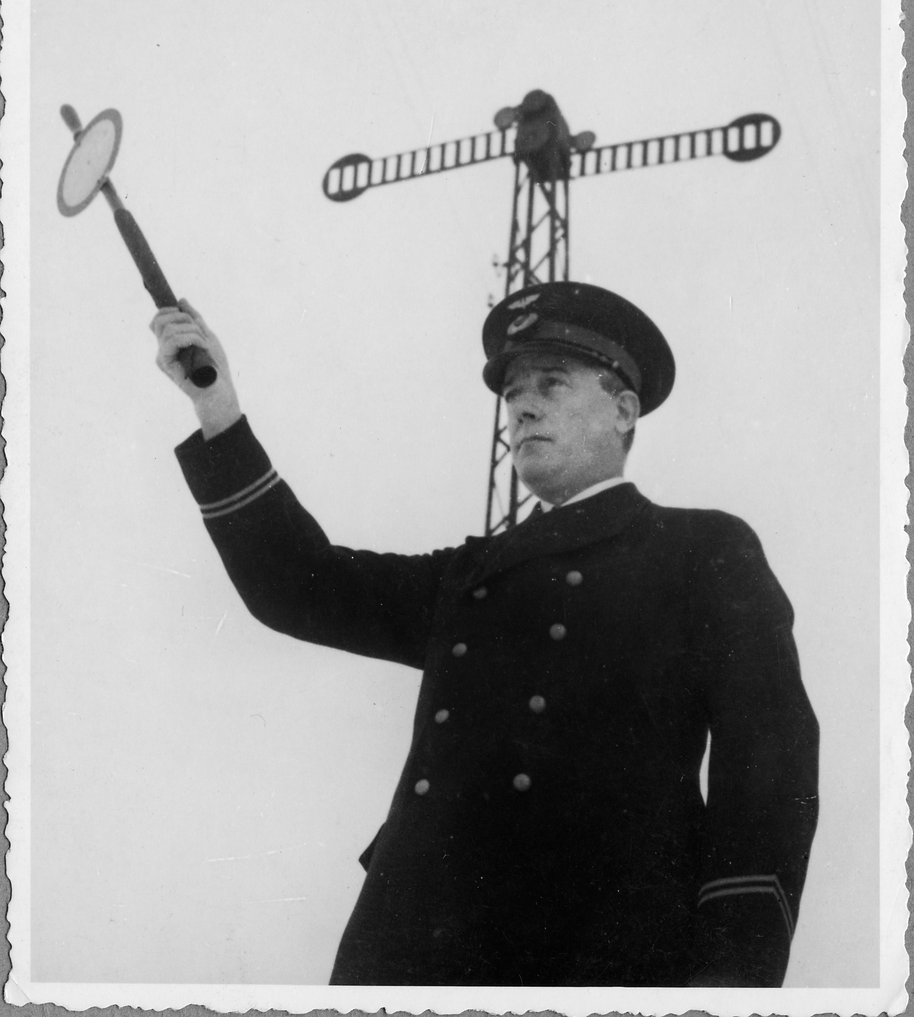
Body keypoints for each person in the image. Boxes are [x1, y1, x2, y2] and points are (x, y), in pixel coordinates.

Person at [151, 280, 819, 988]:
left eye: (552, 384)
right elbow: (296, 585)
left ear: (623, 411)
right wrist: (217, 408)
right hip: (414, 952)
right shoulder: (469, 576)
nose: (521, 407)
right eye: (512, 393)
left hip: (597, 955)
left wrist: (730, 982)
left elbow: (769, 764)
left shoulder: (701, 550)